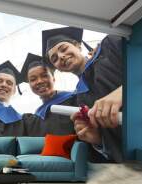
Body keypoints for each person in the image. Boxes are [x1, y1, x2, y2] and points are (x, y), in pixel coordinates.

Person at [43, 26, 123, 162]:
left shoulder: (110, 47)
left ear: (78, 45)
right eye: (54, 59)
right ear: (58, 69)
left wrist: (124, 92)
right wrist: (98, 140)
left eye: (63, 48)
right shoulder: (80, 98)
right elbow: (112, 144)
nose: (61, 57)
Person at [20, 53, 77, 136]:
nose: (39, 81)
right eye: (33, 79)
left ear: (53, 78)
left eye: (44, 75)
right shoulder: (36, 116)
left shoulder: (73, 98)